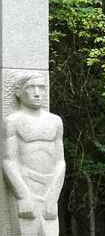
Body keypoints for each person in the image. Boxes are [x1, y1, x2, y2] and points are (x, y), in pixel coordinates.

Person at [3, 74, 65, 236]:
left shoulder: (55, 121)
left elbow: (60, 162)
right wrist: (23, 195)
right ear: (18, 92)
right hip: (26, 183)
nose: (37, 93)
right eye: (31, 88)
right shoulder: (13, 121)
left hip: (49, 186)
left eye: (42, 88)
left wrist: (53, 195)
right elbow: (9, 161)